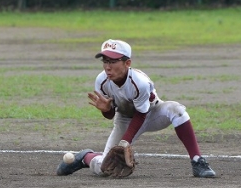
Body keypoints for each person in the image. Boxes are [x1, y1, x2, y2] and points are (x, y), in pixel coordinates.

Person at [56, 39, 217, 178]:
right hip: (125, 119)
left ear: (127, 63)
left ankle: (198, 161)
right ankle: (86, 157)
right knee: (105, 169)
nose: (107, 67)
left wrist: (125, 143)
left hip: (153, 113)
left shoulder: (139, 82)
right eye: (105, 61)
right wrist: (106, 110)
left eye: (113, 61)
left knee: (177, 110)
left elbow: (141, 114)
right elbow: (111, 115)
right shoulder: (102, 81)